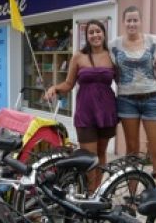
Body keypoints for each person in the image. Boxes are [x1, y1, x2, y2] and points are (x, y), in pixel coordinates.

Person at [44, 19, 118, 192]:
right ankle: (88, 192)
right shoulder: (78, 56)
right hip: (85, 112)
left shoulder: (112, 55)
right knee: (88, 157)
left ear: (104, 33)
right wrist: (54, 87)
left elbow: (122, 81)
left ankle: (96, 192)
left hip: (106, 112)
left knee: (101, 153)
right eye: (91, 32)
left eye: (98, 31)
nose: (95, 35)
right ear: (87, 36)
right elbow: (69, 84)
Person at [109, 5, 156, 193]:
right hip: (127, 102)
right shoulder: (114, 45)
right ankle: (132, 198)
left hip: (152, 100)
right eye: (129, 20)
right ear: (123, 22)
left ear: (141, 21)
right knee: (132, 150)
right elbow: (114, 73)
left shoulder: (153, 42)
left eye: (135, 20)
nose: (132, 23)